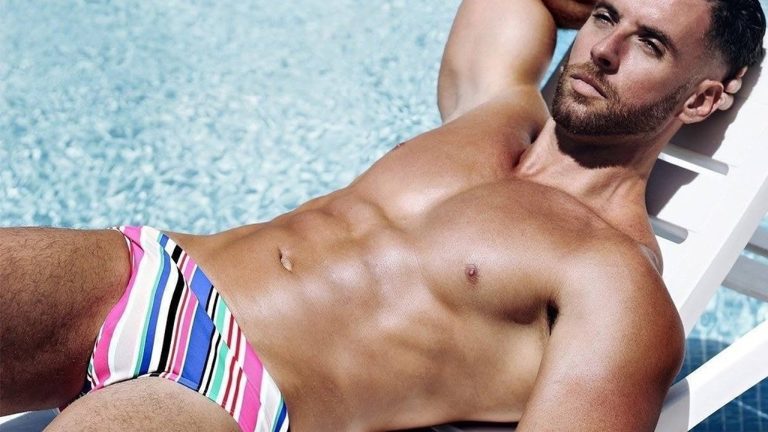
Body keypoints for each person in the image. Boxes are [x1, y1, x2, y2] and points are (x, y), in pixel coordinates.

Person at [0, 0, 765, 430]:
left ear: (701, 98)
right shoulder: (495, 108)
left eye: (649, 44)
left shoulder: (616, 284)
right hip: (154, 276)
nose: (603, 49)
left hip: (232, 392)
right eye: (604, 16)